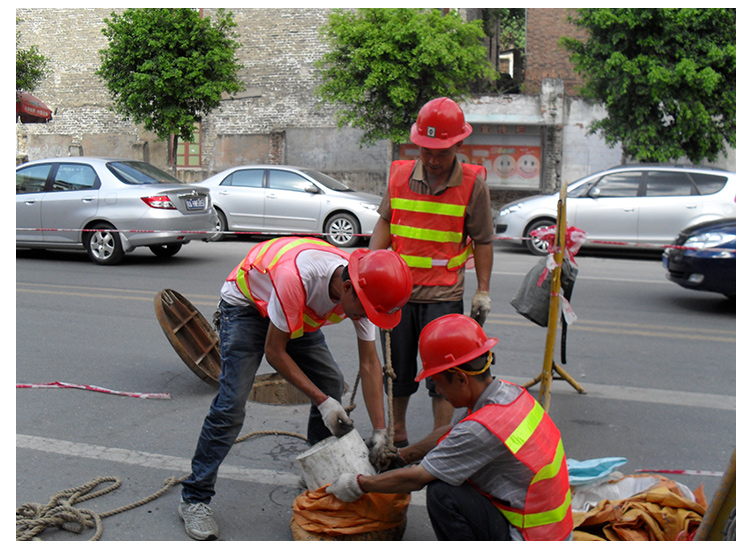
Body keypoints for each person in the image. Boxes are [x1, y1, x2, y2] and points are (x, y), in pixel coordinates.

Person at [178, 236, 413, 540]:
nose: (366, 318)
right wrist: (323, 403)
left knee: (329, 380)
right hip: (249, 307)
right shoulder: (299, 277)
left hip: (295, 312)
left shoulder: (365, 290)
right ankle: (195, 497)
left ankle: (317, 470)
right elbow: (276, 352)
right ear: (346, 288)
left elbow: (369, 364)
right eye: (364, 311)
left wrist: (381, 431)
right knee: (231, 404)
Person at [326, 314, 574, 541]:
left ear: (461, 378)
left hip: (529, 537)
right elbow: (448, 434)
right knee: (449, 475)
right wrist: (402, 456)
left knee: (441, 492)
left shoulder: (480, 429)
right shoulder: (510, 394)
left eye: (437, 382)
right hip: (552, 529)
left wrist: (359, 484)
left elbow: (418, 478)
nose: (438, 391)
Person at [369, 96, 495, 446]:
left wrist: (482, 289)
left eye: (441, 153)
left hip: (443, 296)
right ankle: (397, 433)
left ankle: (440, 439)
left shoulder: (473, 184)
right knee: (397, 370)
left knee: (445, 372)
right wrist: (368, 269)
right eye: (426, 151)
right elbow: (385, 223)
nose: (433, 160)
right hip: (397, 295)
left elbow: (483, 240)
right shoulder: (398, 176)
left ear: (458, 144)